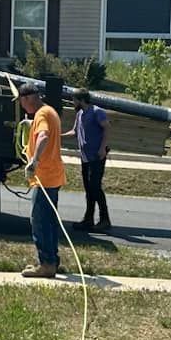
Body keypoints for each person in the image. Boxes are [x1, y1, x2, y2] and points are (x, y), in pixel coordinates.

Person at [18, 81, 65, 278]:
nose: (21, 106)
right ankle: (51, 261)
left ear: (28, 98)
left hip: (44, 176)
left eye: (21, 102)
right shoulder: (49, 111)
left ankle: (46, 264)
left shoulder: (42, 115)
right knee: (49, 220)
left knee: (39, 221)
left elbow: (44, 136)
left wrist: (34, 161)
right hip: (52, 175)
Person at [66, 88, 111, 231]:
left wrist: (102, 148)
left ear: (81, 100)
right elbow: (74, 132)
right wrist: (56, 136)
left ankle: (105, 219)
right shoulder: (80, 114)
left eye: (74, 100)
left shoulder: (97, 112)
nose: (73, 102)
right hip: (85, 157)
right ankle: (88, 219)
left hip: (97, 156)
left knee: (95, 187)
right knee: (89, 189)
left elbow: (107, 128)